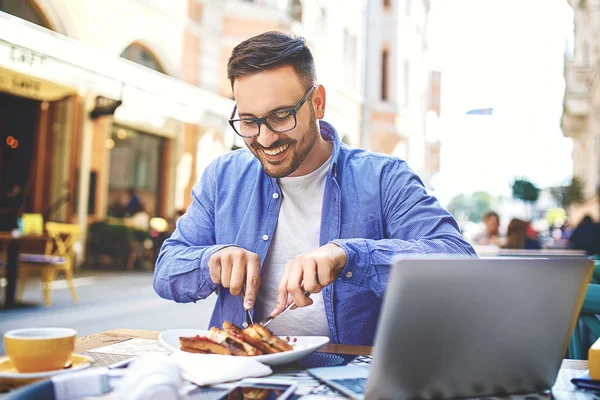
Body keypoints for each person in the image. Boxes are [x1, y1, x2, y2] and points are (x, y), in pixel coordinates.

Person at [153, 31, 476, 345]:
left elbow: (458, 261)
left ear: (317, 103)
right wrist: (212, 259)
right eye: (249, 122)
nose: (265, 139)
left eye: (281, 116)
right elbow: (166, 273)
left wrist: (350, 256)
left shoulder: (382, 177)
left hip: (352, 374)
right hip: (245, 370)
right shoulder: (223, 176)